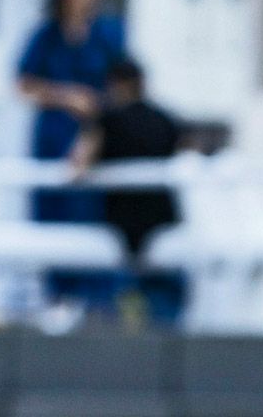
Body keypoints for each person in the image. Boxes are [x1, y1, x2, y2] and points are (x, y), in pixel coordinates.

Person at [15, 0, 127, 322]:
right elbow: (24, 83)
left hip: (96, 143)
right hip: (54, 142)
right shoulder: (46, 35)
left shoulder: (109, 33)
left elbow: (122, 86)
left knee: (96, 222)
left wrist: (97, 118)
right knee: (53, 219)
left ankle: (98, 304)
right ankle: (57, 297)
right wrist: (66, 96)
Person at [67, 54, 188, 327]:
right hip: (163, 223)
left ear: (114, 84)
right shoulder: (165, 120)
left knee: (110, 316)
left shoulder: (107, 120)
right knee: (166, 319)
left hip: (119, 229)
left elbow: (77, 166)